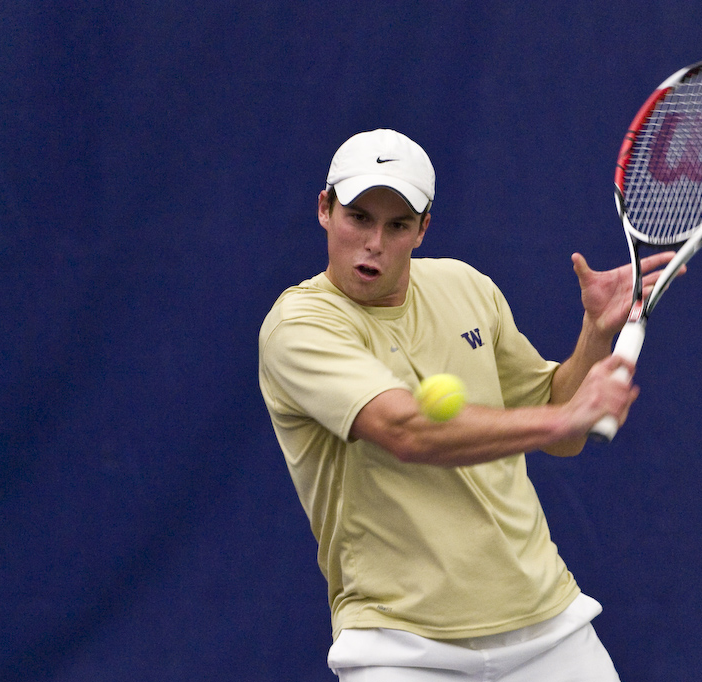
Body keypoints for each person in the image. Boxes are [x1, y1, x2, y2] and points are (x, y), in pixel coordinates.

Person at [258, 129, 678, 681]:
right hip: (399, 647)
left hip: (548, 626)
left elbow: (561, 431)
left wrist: (595, 334)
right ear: (324, 209)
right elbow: (405, 430)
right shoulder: (299, 327)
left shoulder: (466, 287)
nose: (374, 242)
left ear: (422, 229)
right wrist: (565, 416)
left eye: (398, 225)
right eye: (358, 217)